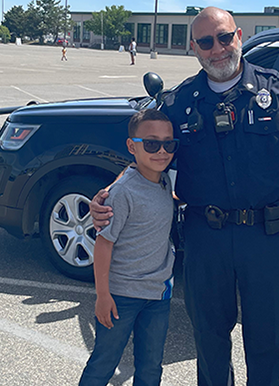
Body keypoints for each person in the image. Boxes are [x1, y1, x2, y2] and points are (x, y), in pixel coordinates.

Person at [91, 6, 279, 386]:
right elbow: (146, 152)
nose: (217, 48)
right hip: (207, 237)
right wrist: (107, 193)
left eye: (224, 38)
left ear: (238, 37)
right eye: (206, 42)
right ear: (194, 48)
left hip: (270, 238)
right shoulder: (178, 104)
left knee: (270, 342)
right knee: (209, 339)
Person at [79, 109, 178, 386]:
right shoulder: (122, 193)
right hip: (121, 296)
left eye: (168, 143)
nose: (161, 151)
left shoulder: (165, 180)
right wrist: (102, 295)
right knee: (104, 363)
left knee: (150, 366)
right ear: (131, 146)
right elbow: (104, 245)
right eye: (151, 143)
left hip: (158, 294)